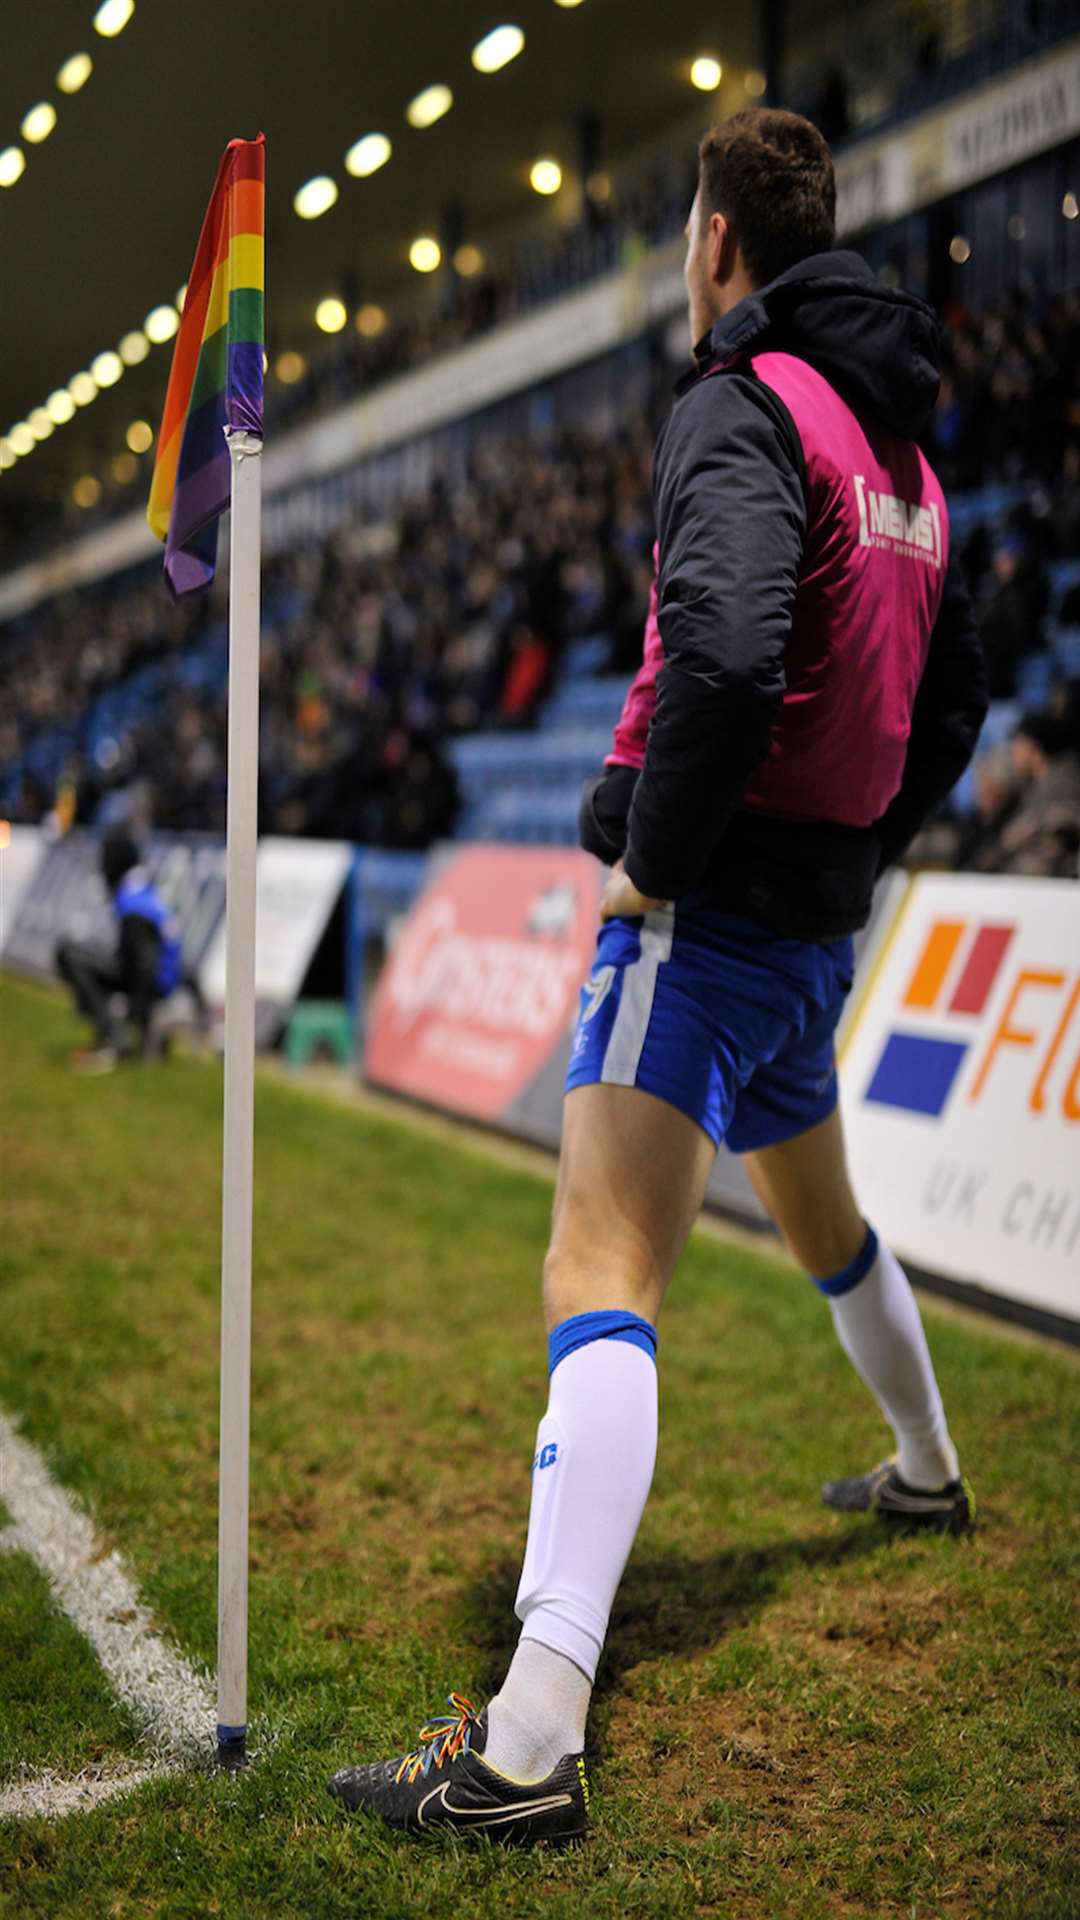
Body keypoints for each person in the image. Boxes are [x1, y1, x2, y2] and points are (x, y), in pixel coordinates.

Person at [329, 107, 988, 1845]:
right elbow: (960, 702)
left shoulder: (741, 399)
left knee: (596, 1269)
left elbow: (725, 644)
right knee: (831, 1230)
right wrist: (846, 850)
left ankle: (531, 1736)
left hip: (706, 921)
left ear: (717, 244)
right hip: (810, 931)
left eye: (691, 231)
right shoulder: (906, 453)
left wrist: (652, 859)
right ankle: (927, 1471)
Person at [55, 830, 182, 1074]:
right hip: (160, 978)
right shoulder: (141, 888)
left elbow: (147, 963)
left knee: (70, 954)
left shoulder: (133, 902)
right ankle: (122, 1032)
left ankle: (112, 1037)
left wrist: (138, 1012)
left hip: (155, 983)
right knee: (87, 955)